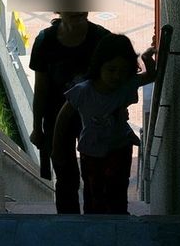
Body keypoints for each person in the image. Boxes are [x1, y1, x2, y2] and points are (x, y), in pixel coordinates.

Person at [54, 34, 156, 215]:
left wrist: (147, 58)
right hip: (91, 153)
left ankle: (117, 220)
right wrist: (57, 149)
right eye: (111, 69)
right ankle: (96, 223)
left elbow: (152, 76)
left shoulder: (126, 84)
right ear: (99, 65)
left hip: (120, 149)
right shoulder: (83, 91)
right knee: (94, 193)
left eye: (123, 71)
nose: (117, 76)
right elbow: (63, 118)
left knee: (118, 189)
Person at [28, 12, 110, 214]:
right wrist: (37, 128)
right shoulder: (45, 41)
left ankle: (95, 223)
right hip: (56, 123)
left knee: (94, 176)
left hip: (93, 121)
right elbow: (41, 91)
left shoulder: (103, 40)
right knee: (65, 178)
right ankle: (69, 224)